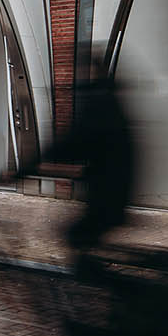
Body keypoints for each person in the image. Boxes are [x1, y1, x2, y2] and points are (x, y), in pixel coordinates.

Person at [50, 50, 136, 281]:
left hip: (107, 197)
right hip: (115, 193)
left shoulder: (99, 103)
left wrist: (24, 169)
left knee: (74, 237)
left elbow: (71, 144)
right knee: (86, 243)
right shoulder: (110, 98)